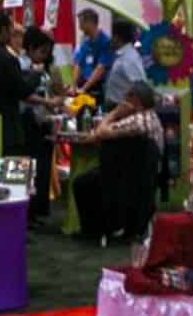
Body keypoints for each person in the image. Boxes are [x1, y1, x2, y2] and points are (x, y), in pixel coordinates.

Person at [74, 80, 165, 246]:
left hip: (121, 177)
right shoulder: (153, 118)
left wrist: (115, 112)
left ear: (135, 100)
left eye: (126, 98)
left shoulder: (137, 120)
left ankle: (92, 230)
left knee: (81, 182)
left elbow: (99, 133)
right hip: (144, 178)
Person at [0, 10, 40, 156]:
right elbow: (22, 91)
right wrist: (36, 74)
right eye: (11, 29)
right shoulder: (7, 58)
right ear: (4, 30)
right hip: (6, 128)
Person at [21, 26, 61, 222]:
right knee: (32, 168)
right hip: (28, 122)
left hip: (44, 121)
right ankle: (28, 212)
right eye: (41, 52)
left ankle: (38, 209)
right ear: (30, 48)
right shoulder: (22, 65)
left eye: (47, 52)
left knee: (43, 168)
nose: (44, 57)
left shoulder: (42, 67)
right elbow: (24, 94)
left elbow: (51, 90)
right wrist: (48, 102)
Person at [72, 8, 113, 101]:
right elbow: (79, 64)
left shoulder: (105, 42)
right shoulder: (85, 42)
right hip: (84, 84)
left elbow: (100, 68)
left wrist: (84, 88)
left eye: (81, 24)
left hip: (97, 87)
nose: (79, 27)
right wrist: (73, 86)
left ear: (90, 23)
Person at [105, 19, 146, 110]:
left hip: (124, 111)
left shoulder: (130, 58)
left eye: (111, 35)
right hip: (117, 109)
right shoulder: (122, 55)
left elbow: (140, 87)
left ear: (117, 37)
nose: (109, 39)